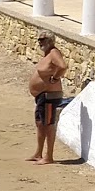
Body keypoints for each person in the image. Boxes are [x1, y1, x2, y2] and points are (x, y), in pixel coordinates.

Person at [28, 33, 68, 164]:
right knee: (40, 124)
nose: (39, 42)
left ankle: (49, 156)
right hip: (42, 96)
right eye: (38, 39)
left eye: (42, 39)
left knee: (48, 124)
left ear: (50, 40)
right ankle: (38, 153)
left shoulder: (54, 53)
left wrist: (55, 78)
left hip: (49, 96)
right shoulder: (47, 54)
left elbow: (63, 66)